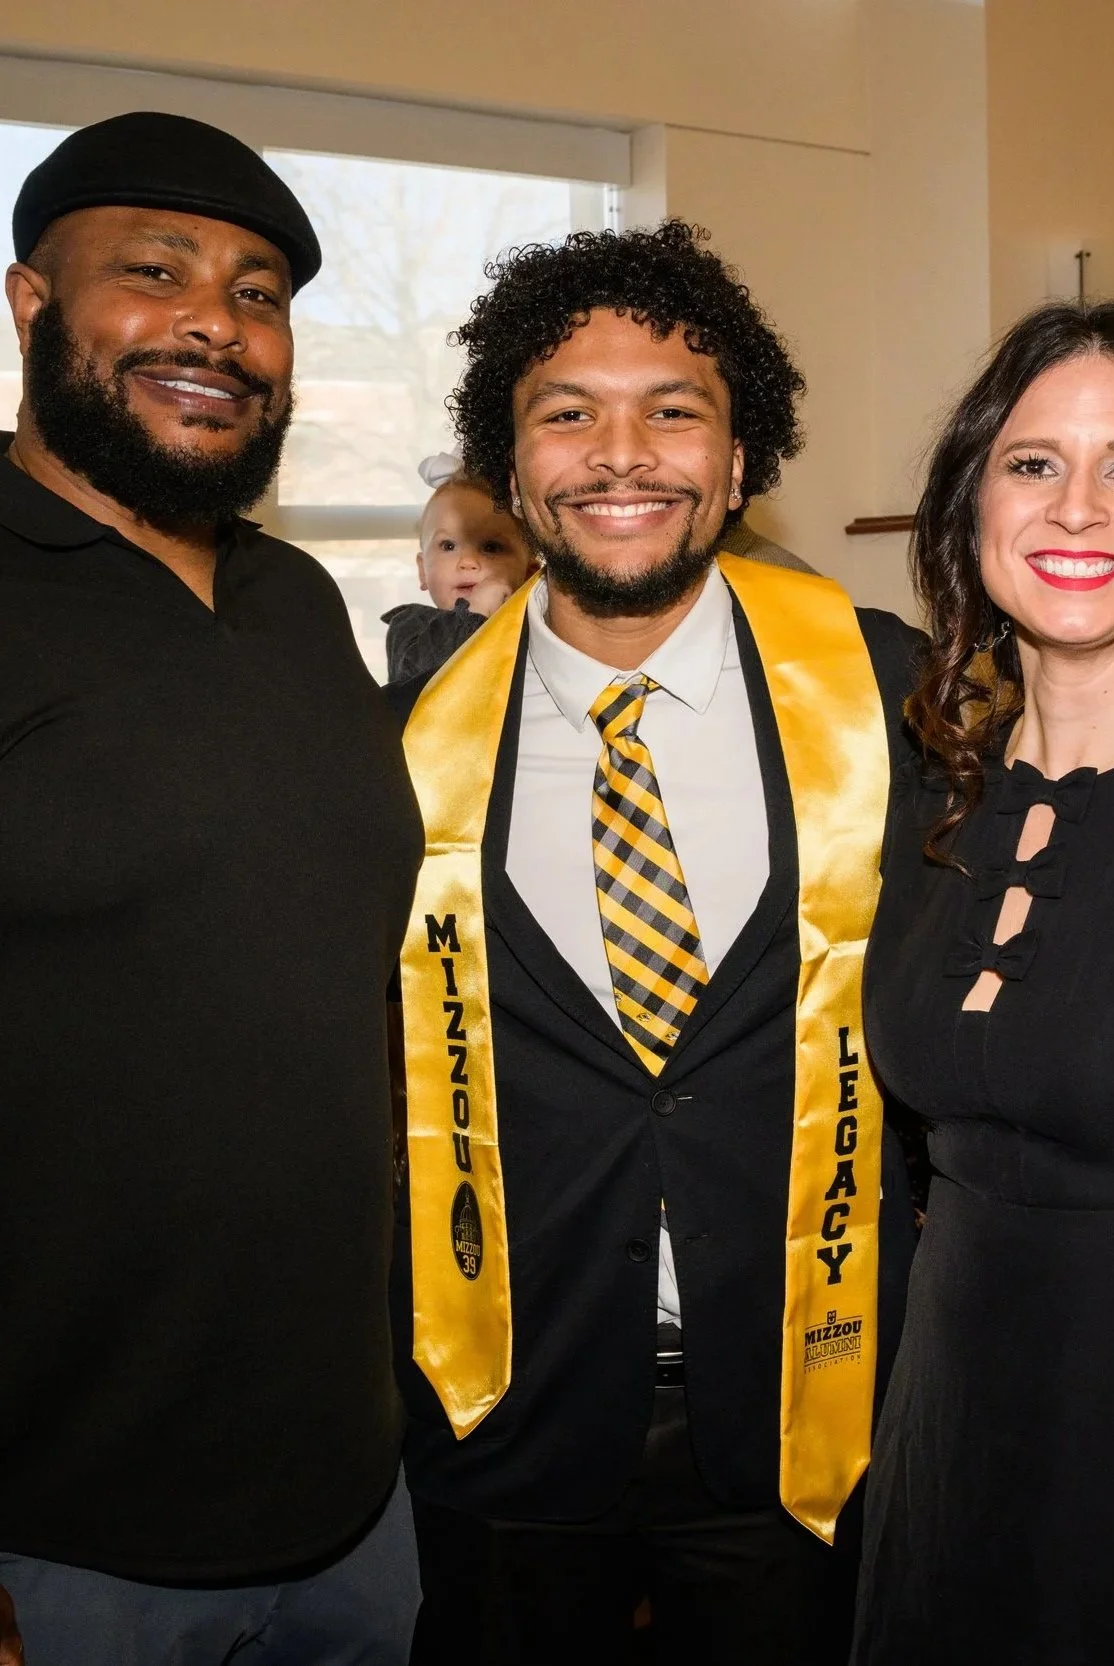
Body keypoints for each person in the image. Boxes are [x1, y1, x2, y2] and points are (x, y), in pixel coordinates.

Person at [389, 219, 921, 1665]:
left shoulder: (883, 694)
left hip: (807, 1410)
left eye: (672, 411)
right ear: (513, 472)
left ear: (738, 464)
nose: (619, 453)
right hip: (510, 1405)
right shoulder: (403, 745)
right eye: (568, 414)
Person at [0, 111, 423, 1665]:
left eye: (257, 294)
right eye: (155, 272)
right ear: (34, 304)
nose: (214, 324)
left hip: (353, 1505)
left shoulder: (298, 597)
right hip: (64, 1543)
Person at [852, 300, 1114, 1666]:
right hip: (943, 1455)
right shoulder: (935, 786)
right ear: (970, 506)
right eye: (1032, 462)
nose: (1077, 504)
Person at [383, 460, 532, 681]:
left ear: (529, 575)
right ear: (423, 571)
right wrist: (474, 615)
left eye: (491, 547)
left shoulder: (537, 628)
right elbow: (419, 686)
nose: (467, 561)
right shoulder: (411, 627)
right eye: (448, 546)